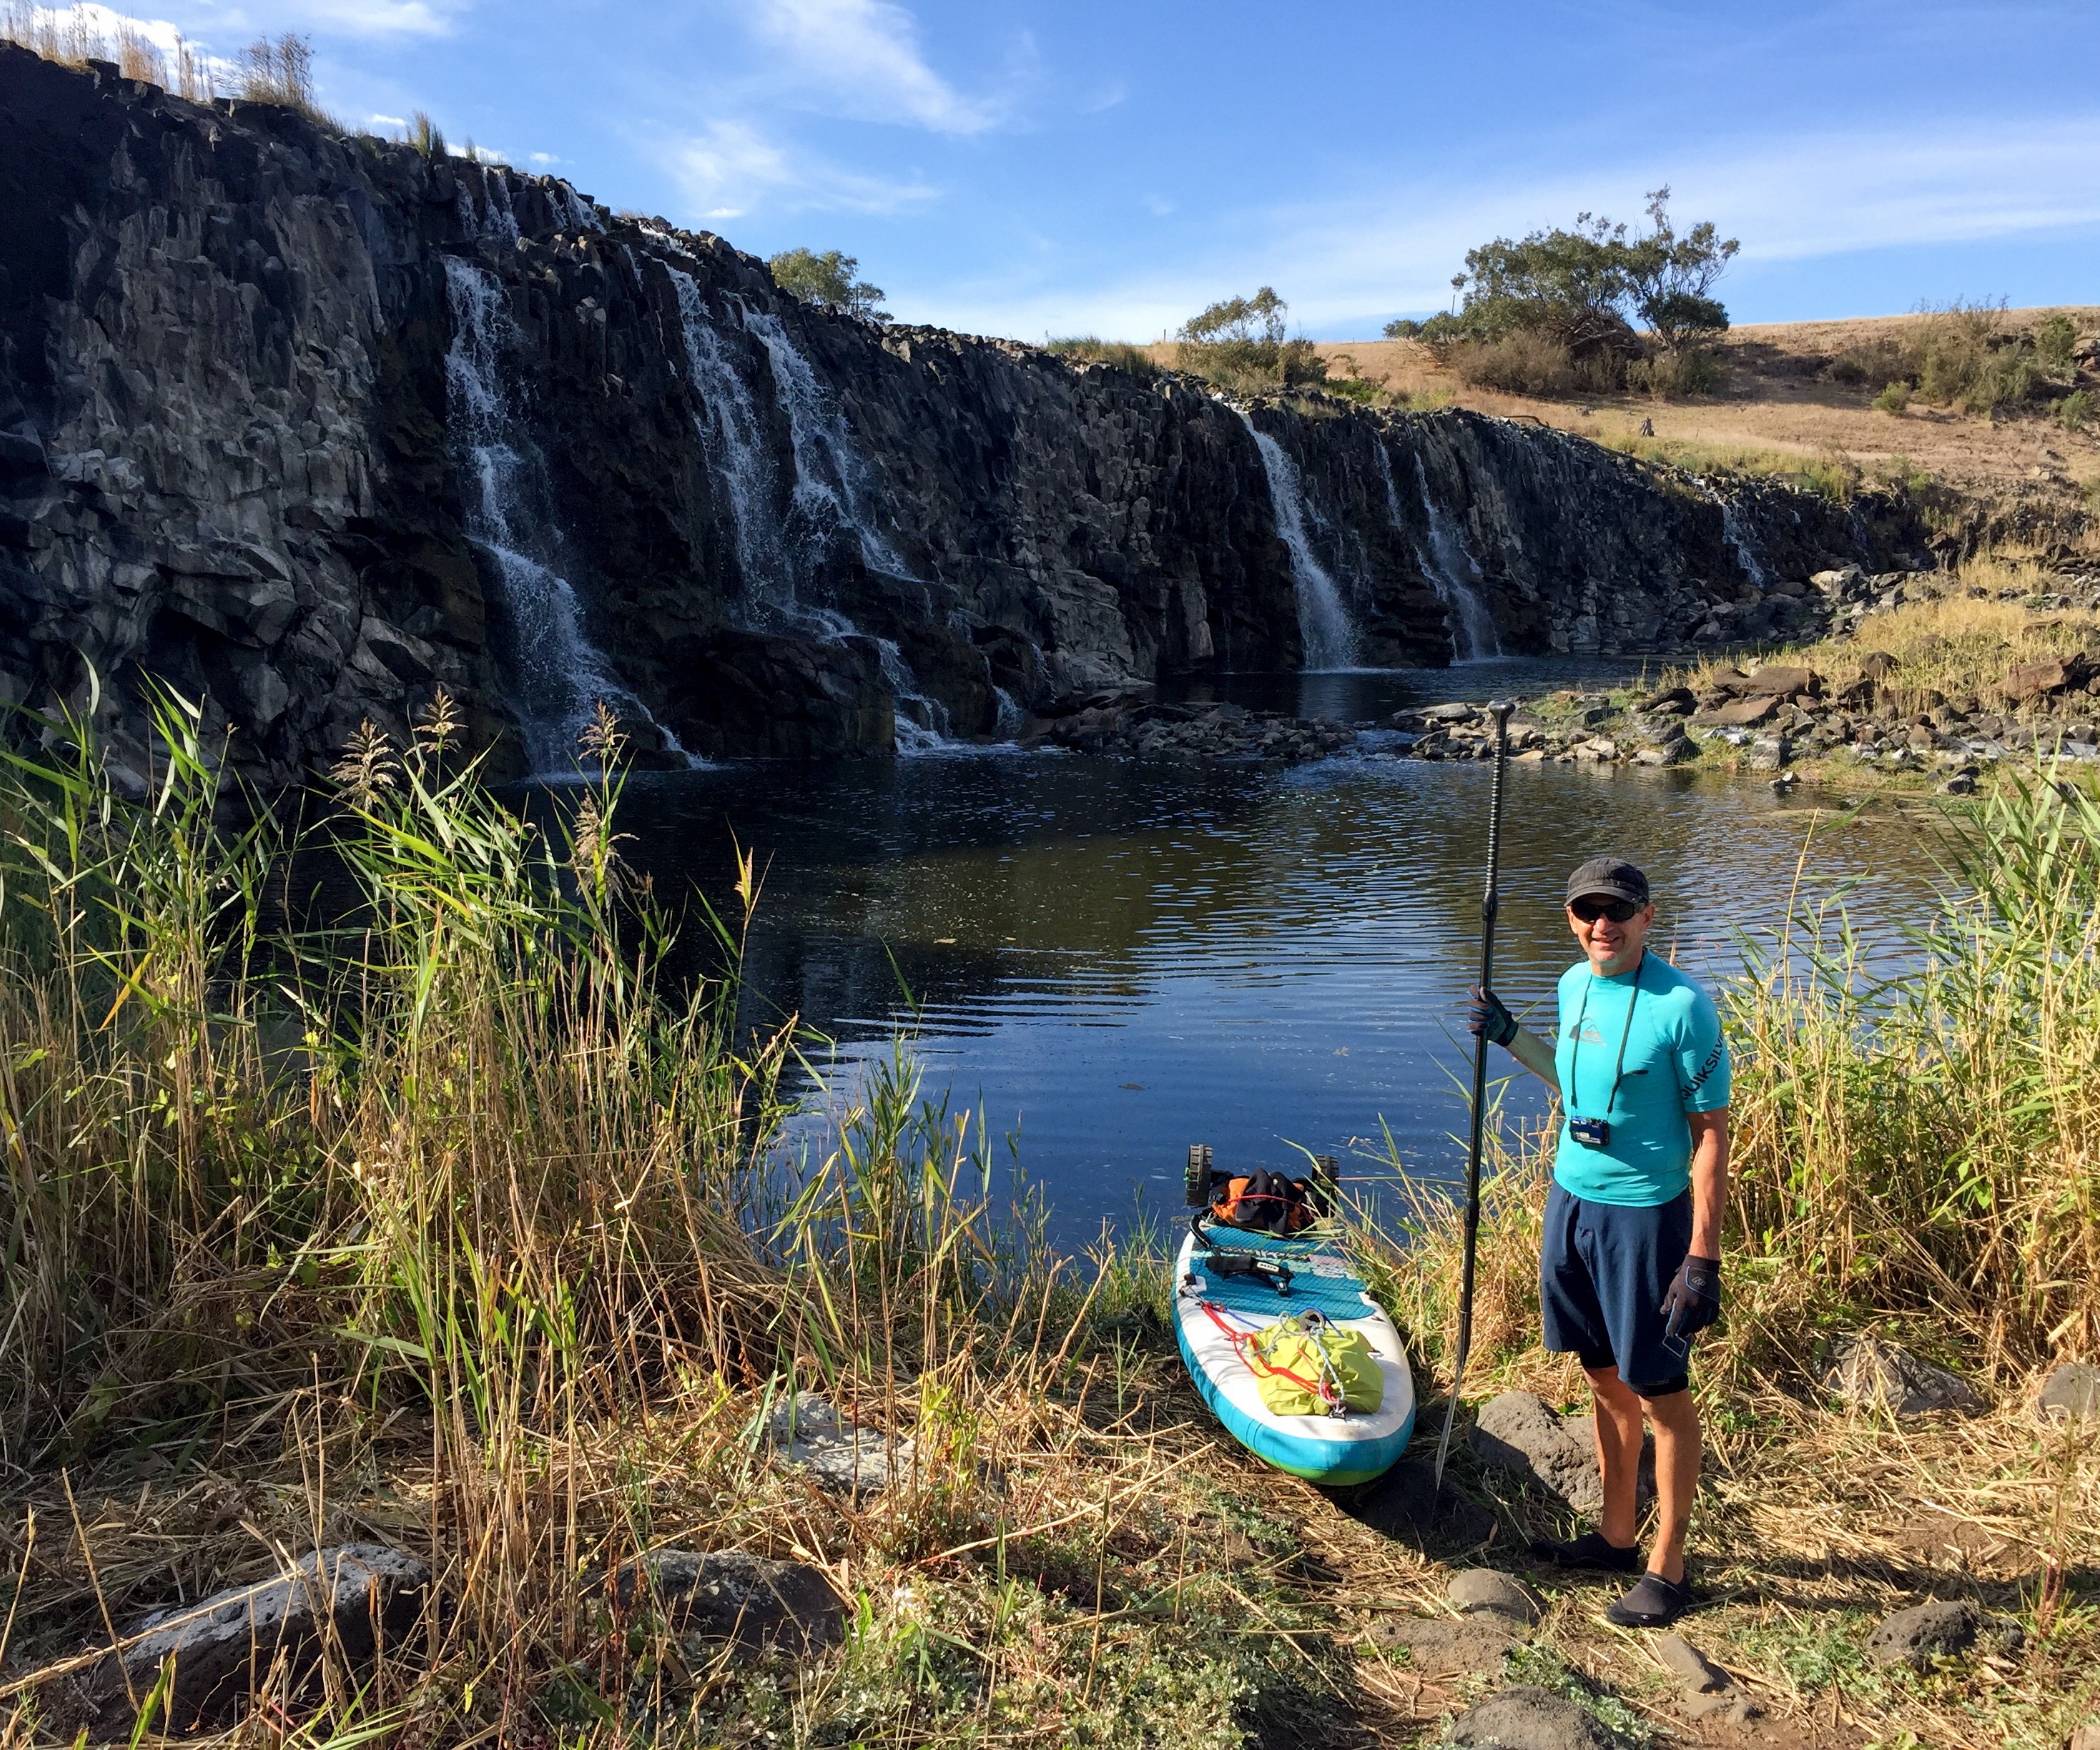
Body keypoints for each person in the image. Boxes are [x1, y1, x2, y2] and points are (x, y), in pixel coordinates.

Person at [1468, 855, 1729, 1628]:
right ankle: (1617, 1536)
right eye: (1587, 911)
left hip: (1648, 1220)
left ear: (1648, 918)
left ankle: (1669, 1566)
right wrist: (1514, 1036)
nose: (1601, 925)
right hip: (1571, 1204)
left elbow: (1710, 1135)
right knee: (1603, 1376)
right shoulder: (1573, 984)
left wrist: (1701, 1256)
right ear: (1571, 918)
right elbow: (1577, 1088)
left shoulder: (1684, 1007)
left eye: (1617, 911)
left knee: (1661, 1392)